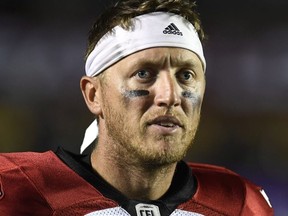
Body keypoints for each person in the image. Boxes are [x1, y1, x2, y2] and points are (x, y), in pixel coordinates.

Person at [0, 0, 274, 215]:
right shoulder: (15, 190)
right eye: (144, 73)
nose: (170, 96)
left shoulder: (240, 203)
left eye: (186, 76)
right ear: (94, 95)